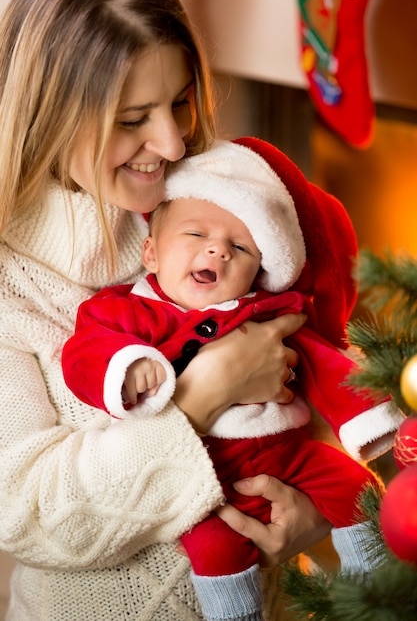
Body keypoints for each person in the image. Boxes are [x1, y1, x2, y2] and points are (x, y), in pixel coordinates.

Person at [0, 0, 354, 619]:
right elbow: (26, 514)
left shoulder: (223, 201)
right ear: (50, 115)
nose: (170, 144)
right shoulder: (11, 281)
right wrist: (203, 394)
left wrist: (314, 513)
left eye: (181, 102)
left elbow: (310, 367)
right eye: (134, 118)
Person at [62, 140, 404, 621]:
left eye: (239, 247)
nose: (217, 249)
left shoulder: (268, 314)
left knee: (355, 486)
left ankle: (373, 588)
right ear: (151, 254)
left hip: (284, 453)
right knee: (215, 545)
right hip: (205, 470)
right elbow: (85, 351)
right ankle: (236, 614)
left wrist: (366, 417)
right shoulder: (131, 311)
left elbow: (326, 366)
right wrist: (122, 366)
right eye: (196, 233)